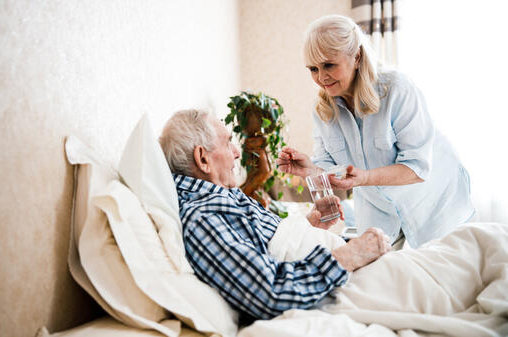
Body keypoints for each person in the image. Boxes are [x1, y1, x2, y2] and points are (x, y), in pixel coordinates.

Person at [159, 108, 392, 320]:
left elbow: (266, 244)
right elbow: (270, 292)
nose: (237, 153)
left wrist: (309, 225)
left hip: (348, 268)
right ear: (203, 159)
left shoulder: (219, 198)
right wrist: (352, 253)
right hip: (347, 279)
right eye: (228, 142)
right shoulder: (203, 217)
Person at [277, 15, 474, 249]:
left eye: (329, 65)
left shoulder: (397, 89)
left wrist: (366, 178)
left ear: (357, 56)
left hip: (430, 200)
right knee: (380, 274)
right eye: (313, 69)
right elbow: (333, 169)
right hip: (376, 207)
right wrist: (311, 169)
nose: (321, 77)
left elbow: (417, 167)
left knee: (441, 273)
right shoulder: (322, 109)